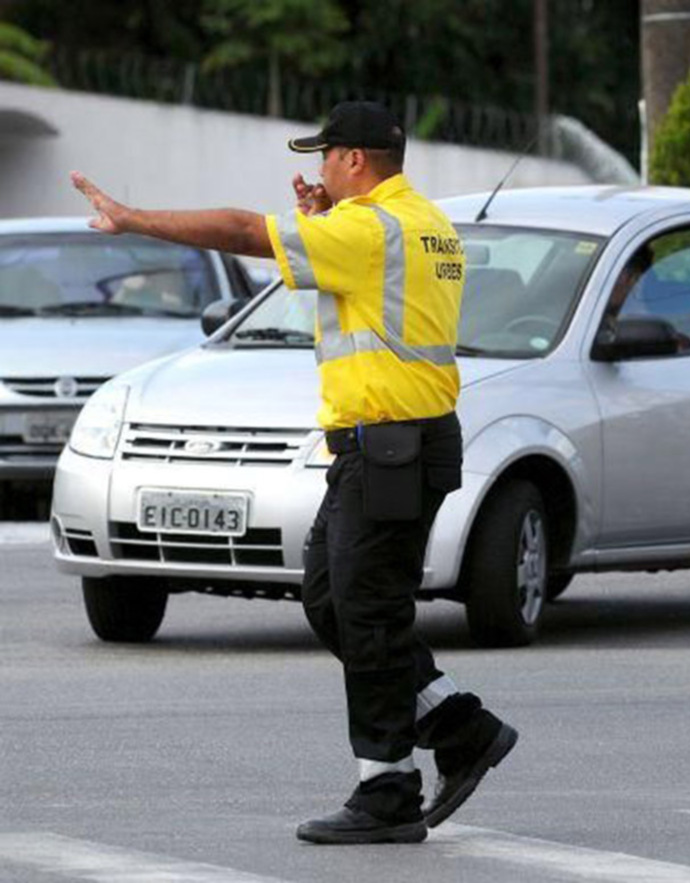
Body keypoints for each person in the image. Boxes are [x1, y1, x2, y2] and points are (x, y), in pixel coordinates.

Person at [71, 100, 517, 846]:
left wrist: (135, 217)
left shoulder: (370, 229)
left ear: (354, 161)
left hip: (393, 445)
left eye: (325, 158)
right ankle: (455, 722)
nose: (316, 172)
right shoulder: (422, 221)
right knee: (332, 600)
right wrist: (319, 220)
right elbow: (359, 290)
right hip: (386, 446)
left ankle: (388, 789)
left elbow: (246, 232)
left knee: (367, 610)